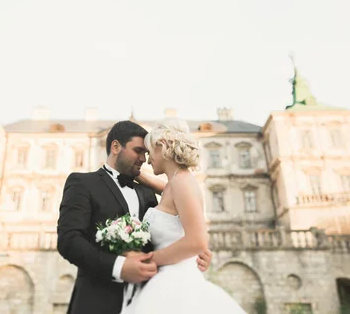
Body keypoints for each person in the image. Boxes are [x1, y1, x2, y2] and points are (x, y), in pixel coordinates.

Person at [57, 120, 212, 314]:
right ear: (115, 146)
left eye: (147, 153)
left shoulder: (148, 192)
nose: (143, 159)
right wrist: (119, 266)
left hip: (152, 298)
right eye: (138, 151)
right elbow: (69, 241)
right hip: (97, 302)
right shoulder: (82, 183)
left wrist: (196, 253)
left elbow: (174, 223)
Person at [122, 118, 246, 314]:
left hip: (176, 282)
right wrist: (137, 174)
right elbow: (164, 190)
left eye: (149, 152)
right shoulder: (174, 184)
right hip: (168, 278)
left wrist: (149, 259)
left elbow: (198, 241)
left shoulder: (182, 183)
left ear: (162, 146)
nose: (147, 160)